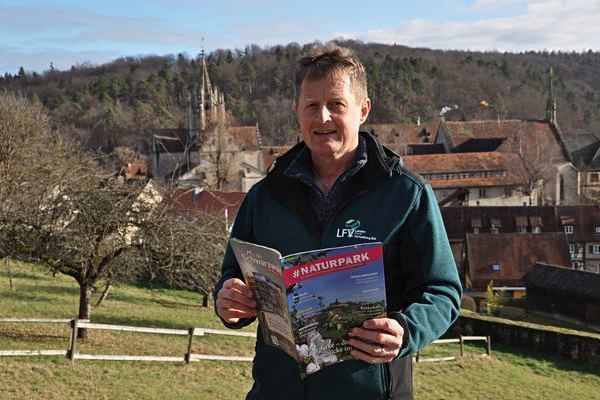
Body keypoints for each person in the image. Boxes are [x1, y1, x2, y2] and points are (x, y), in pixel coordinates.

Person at [214, 44, 462, 400]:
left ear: (362, 110)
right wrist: (229, 301)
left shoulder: (406, 194)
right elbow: (231, 276)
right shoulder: (264, 196)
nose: (323, 117)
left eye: (336, 105)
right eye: (312, 106)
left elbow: (444, 291)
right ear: (297, 113)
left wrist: (406, 330)